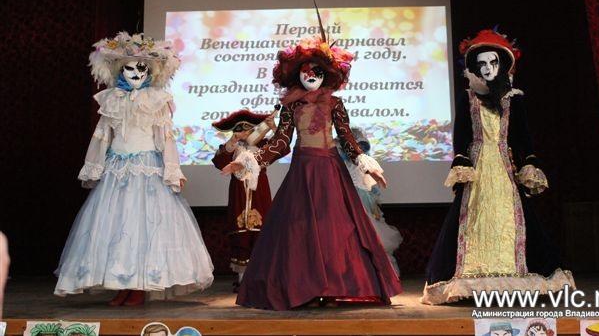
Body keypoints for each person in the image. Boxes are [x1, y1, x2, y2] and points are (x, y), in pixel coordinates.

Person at [223, 32, 402, 310]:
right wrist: (250, 160)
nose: (311, 76)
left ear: (327, 74)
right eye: (305, 71)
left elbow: (346, 138)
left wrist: (366, 164)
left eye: (317, 72)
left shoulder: (334, 103)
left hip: (330, 171)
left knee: (336, 228)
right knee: (299, 230)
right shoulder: (291, 105)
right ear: (296, 74)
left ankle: (334, 287)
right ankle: (304, 287)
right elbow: (281, 142)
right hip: (303, 172)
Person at [54, 32, 214, 306]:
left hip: (147, 169)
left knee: (144, 226)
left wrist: (172, 169)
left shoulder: (157, 100)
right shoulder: (112, 100)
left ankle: (139, 285)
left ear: (150, 72)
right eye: (129, 68)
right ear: (120, 71)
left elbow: (165, 138)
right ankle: (122, 285)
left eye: (142, 68)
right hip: (117, 169)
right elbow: (102, 136)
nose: (136, 73)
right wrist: (94, 167)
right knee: (116, 226)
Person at [422, 29, 574, 304]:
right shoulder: (468, 98)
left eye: (493, 62)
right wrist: (461, 158)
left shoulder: (513, 99)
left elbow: (522, 136)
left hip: (504, 167)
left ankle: (517, 278)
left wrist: (529, 160)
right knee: (471, 218)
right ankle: (471, 280)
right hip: (479, 167)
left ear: (502, 65)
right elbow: (461, 133)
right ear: (474, 67)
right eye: (481, 63)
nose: (487, 68)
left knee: (514, 217)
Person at [212, 109, 277, 291]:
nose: (244, 133)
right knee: (240, 233)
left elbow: (281, 149)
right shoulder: (231, 148)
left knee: (261, 233)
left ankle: (261, 278)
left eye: (248, 129)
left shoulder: (263, 145)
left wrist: (274, 128)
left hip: (259, 192)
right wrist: (233, 140)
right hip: (238, 193)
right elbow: (219, 162)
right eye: (240, 130)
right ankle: (242, 279)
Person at [335, 127, 403, 276]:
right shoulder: (336, 151)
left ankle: (374, 275)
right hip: (343, 195)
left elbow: (365, 173)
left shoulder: (361, 154)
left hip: (359, 195)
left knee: (367, 233)